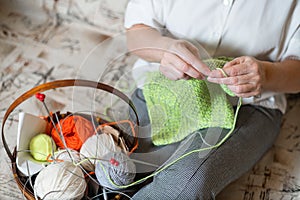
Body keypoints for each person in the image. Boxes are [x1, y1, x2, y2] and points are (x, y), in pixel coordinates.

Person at [124, 0, 300, 199]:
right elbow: (136, 32)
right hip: (162, 89)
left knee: (184, 184)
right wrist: (164, 49)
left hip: (247, 107)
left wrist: (266, 74)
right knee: (113, 166)